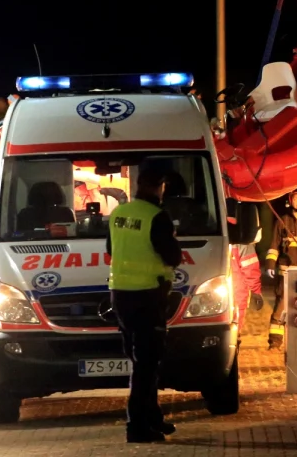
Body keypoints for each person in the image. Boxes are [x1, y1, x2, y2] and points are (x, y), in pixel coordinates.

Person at [105, 163, 183, 444]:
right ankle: (137, 426)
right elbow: (173, 256)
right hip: (148, 295)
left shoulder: (119, 213)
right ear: (159, 186)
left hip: (120, 296)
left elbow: (111, 250)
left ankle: (152, 417)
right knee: (147, 364)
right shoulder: (157, 217)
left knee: (140, 361)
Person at [264, 185, 297, 350]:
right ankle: (275, 342)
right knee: (281, 306)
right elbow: (273, 246)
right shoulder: (282, 220)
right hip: (285, 271)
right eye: (295, 198)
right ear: (290, 200)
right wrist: (270, 264)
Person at [228, 211, 263, 334]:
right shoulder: (241, 239)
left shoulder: (209, 232)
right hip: (236, 296)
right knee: (234, 332)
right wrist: (256, 292)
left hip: (212, 295)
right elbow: (250, 270)